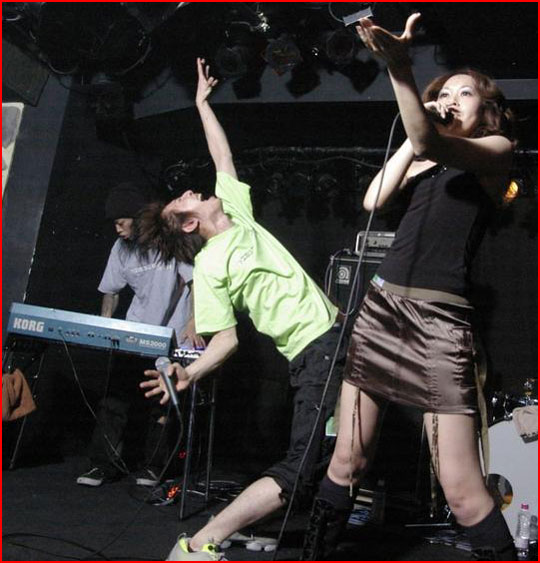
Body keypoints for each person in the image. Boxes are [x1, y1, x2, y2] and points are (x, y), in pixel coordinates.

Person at [301, 13, 517, 561]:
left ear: (486, 109)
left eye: (464, 93)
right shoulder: (427, 158)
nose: (451, 99)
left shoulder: (496, 151)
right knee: (347, 461)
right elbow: (374, 199)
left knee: (462, 491)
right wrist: (417, 138)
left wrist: (400, 68)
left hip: (440, 326)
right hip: (381, 312)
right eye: (443, 93)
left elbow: (428, 139)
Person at [138, 58, 347, 561]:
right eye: (181, 201)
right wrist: (190, 373)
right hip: (316, 352)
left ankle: (318, 549)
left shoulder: (239, 217)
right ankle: (199, 542)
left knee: (347, 460)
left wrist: (201, 104)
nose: (189, 191)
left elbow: (222, 156)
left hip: (340, 338)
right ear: (189, 225)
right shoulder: (210, 264)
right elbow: (226, 339)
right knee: (304, 468)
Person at [77, 181, 204, 488]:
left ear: (137, 218)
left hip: (171, 334)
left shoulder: (169, 240)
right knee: (114, 400)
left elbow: (196, 282)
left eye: (121, 222)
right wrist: (105, 325)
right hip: (134, 333)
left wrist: (194, 322)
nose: (117, 229)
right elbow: (111, 291)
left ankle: (154, 467)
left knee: (161, 403)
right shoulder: (120, 249)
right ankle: (101, 465)